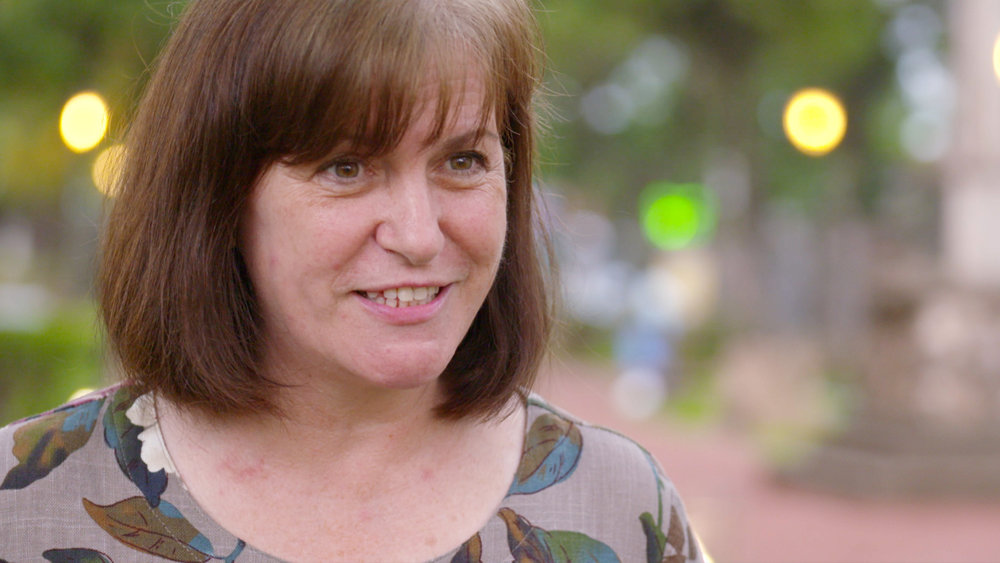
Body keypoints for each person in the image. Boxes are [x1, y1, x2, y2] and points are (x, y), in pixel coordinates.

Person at [0, 1, 703, 561]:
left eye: (462, 160)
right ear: (219, 195)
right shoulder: (24, 509)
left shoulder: (622, 513)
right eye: (346, 166)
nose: (419, 235)